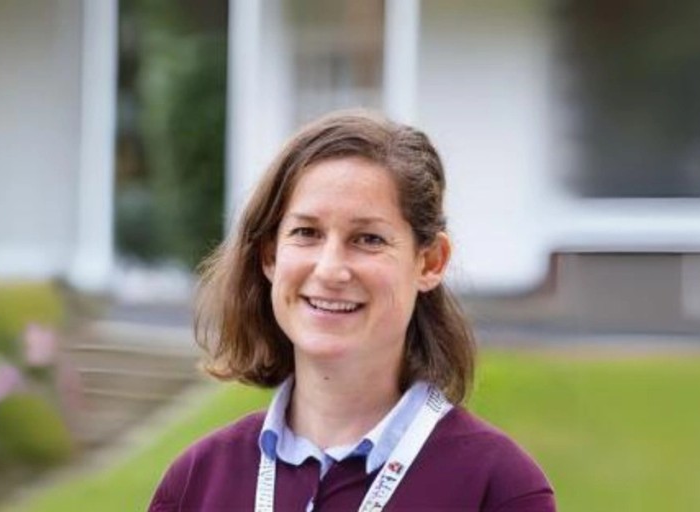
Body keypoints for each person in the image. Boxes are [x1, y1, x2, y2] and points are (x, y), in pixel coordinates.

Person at [148, 110, 555, 511]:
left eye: (368, 239)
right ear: (270, 255)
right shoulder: (194, 484)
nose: (330, 269)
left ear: (430, 262)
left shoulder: (500, 490)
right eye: (306, 233)